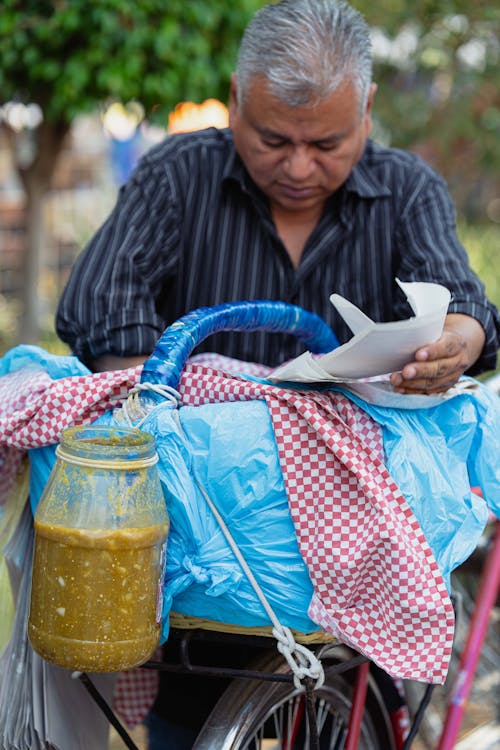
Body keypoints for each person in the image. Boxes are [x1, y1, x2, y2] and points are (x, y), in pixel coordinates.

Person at [55, 0, 500, 746]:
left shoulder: (406, 192)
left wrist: (459, 334)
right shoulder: (178, 175)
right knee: (186, 717)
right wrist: (174, 392)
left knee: (359, 708)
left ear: (367, 108)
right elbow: (99, 299)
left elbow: (461, 307)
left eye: (326, 142)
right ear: (235, 99)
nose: (298, 166)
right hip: (208, 531)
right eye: (272, 140)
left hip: (361, 534)